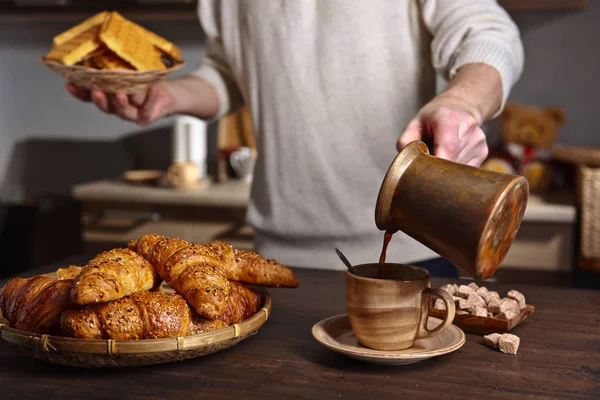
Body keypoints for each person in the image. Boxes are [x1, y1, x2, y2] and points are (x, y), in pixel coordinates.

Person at [66, 0, 524, 277]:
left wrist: (463, 103)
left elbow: (488, 33)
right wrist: (166, 96)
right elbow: (230, 72)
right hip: (274, 258)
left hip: (414, 253)